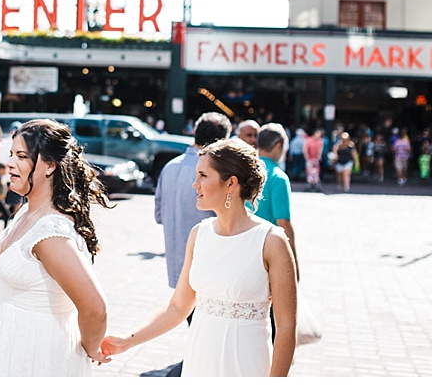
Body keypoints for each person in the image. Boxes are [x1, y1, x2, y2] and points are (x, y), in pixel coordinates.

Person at [101, 138, 298, 377]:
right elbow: (177, 307)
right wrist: (127, 341)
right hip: (199, 361)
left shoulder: (271, 241)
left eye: (203, 175)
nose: (195, 184)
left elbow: (287, 327)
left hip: (246, 365)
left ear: (231, 183)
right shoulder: (199, 234)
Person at [0, 119, 112, 376]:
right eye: (11, 155)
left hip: (39, 352)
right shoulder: (27, 210)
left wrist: (89, 350)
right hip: (9, 341)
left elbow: (95, 308)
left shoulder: (51, 234)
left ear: (49, 166)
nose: (10, 164)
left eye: (22, 156)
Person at [153, 111, 231, 376]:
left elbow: (159, 216)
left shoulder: (170, 166)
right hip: (210, 266)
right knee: (207, 336)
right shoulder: (211, 173)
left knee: (194, 324)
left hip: (176, 262)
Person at [254, 123, 298, 275]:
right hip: (268, 250)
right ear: (278, 146)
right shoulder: (278, 177)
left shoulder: (246, 170)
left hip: (243, 244)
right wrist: (293, 263)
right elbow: (283, 222)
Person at [303, 127, 325, 192]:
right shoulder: (309, 140)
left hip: (315, 159)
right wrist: (307, 157)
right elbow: (305, 150)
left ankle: (316, 185)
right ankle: (309, 184)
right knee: (309, 172)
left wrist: (318, 157)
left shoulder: (320, 141)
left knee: (316, 173)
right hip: (310, 159)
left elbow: (320, 150)